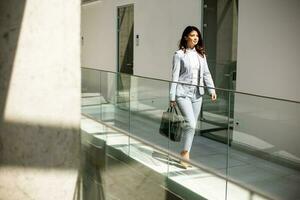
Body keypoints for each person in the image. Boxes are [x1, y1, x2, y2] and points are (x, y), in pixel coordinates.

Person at [170, 26, 217, 168]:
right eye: (192, 35)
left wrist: (212, 90)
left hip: (198, 95)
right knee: (190, 123)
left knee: (192, 125)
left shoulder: (201, 55)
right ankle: (185, 154)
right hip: (182, 94)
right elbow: (175, 76)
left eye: (197, 35)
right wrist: (172, 97)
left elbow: (206, 74)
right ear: (186, 37)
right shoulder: (179, 54)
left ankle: (185, 154)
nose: (195, 38)